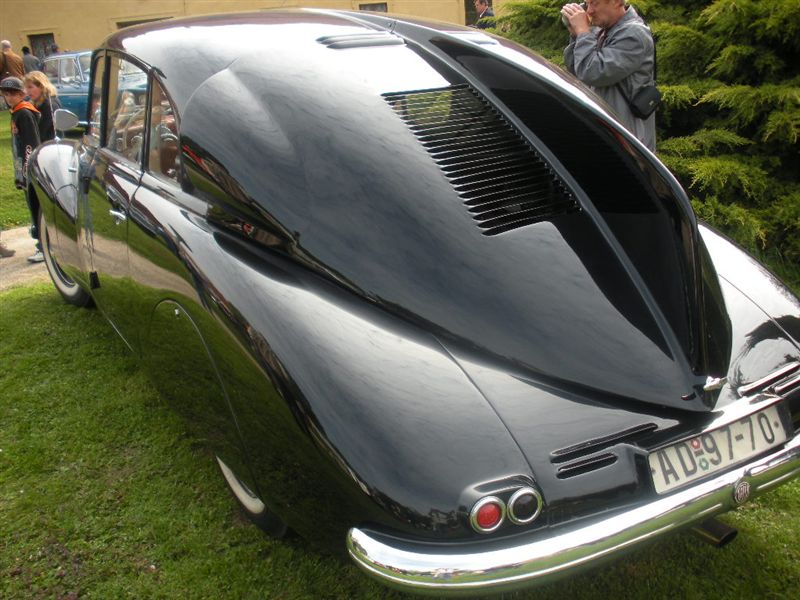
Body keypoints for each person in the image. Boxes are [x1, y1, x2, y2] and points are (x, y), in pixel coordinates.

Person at [562, 1, 656, 151]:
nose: (589, 11)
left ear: (616, 2)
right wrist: (576, 34)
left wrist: (583, 32)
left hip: (628, 143)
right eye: (587, 4)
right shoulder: (603, 30)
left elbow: (592, 72)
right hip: (608, 134)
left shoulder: (634, 35)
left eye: (595, 3)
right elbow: (577, 71)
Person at [1, 76, 43, 262]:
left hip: (30, 170)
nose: (9, 98)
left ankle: (43, 246)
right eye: (6, 94)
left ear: (21, 94)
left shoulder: (24, 113)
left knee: (37, 208)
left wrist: (27, 171)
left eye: (13, 94)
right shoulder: (16, 112)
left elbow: (31, 144)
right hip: (23, 169)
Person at [24, 71, 61, 141]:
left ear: (42, 87)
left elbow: (41, 132)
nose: (27, 91)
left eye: (30, 87)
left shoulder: (50, 105)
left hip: (49, 145)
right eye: (26, 87)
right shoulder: (33, 102)